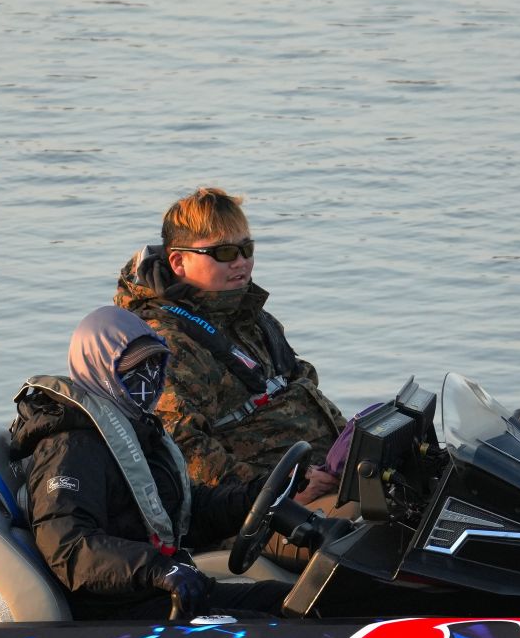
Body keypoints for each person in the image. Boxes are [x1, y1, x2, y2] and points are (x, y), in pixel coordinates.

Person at [10, 306, 292, 621]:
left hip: (160, 593)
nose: (149, 376)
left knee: (295, 602)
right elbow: (69, 548)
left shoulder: (135, 429)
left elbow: (183, 515)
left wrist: (256, 497)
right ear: (99, 368)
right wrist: (158, 568)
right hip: (119, 615)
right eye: (134, 367)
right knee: (279, 625)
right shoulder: (70, 448)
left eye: (155, 363)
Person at [114, 187, 347, 502]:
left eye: (247, 249)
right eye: (224, 253)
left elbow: (302, 385)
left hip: (322, 473)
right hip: (266, 503)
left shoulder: (249, 317)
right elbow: (183, 449)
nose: (241, 262)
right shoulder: (166, 345)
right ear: (179, 262)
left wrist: (353, 445)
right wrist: (281, 490)